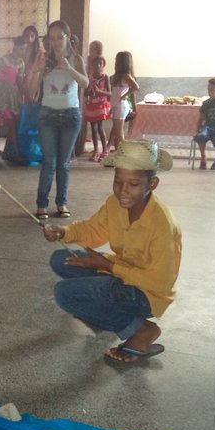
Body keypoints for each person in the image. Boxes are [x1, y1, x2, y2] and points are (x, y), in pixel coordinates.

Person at [43, 139, 181, 363]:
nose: (123, 191)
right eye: (118, 182)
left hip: (148, 293)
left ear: (152, 184)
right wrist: (63, 232)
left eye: (133, 184)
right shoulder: (115, 204)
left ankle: (140, 329)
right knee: (60, 259)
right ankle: (110, 310)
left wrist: (107, 266)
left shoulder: (162, 225)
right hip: (121, 271)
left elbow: (160, 283)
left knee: (64, 294)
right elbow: (94, 229)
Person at [32, 20, 89, 220]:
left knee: (63, 163)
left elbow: (85, 83)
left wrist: (68, 68)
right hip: (47, 115)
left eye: (60, 37)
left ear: (67, 36)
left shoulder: (76, 59)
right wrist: (38, 69)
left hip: (70, 115)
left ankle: (62, 202)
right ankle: (42, 204)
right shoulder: (44, 60)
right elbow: (30, 92)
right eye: (52, 37)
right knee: (49, 161)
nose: (56, 41)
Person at [0, 36, 26, 159]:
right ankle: (17, 152)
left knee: (13, 124)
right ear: (16, 47)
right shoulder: (3, 60)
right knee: (11, 123)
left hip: (14, 95)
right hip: (2, 94)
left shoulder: (21, 63)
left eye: (25, 49)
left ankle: (7, 151)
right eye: (22, 48)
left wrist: (24, 94)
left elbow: (20, 81)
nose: (23, 51)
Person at [108, 51, 139, 152]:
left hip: (121, 106)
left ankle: (122, 155)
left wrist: (125, 95)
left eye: (117, 60)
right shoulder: (117, 76)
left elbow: (136, 87)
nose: (115, 62)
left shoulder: (126, 75)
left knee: (119, 133)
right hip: (116, 105)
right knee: (117, 133)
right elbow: (114, 93)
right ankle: (118, 155)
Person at [83, 55, 111, 161]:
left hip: (101, 105)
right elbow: (86, 92)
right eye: (96, 63)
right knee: (93, 129)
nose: (98, 65)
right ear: (92, 65)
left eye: (100, 64)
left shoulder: (105, 77)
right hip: (92, 105)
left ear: (103, 66)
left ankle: (104, 151)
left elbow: (110, 93)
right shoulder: (90, 78)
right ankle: (96, 150)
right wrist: (90, 91)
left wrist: (100, 91)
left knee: (100, 127)